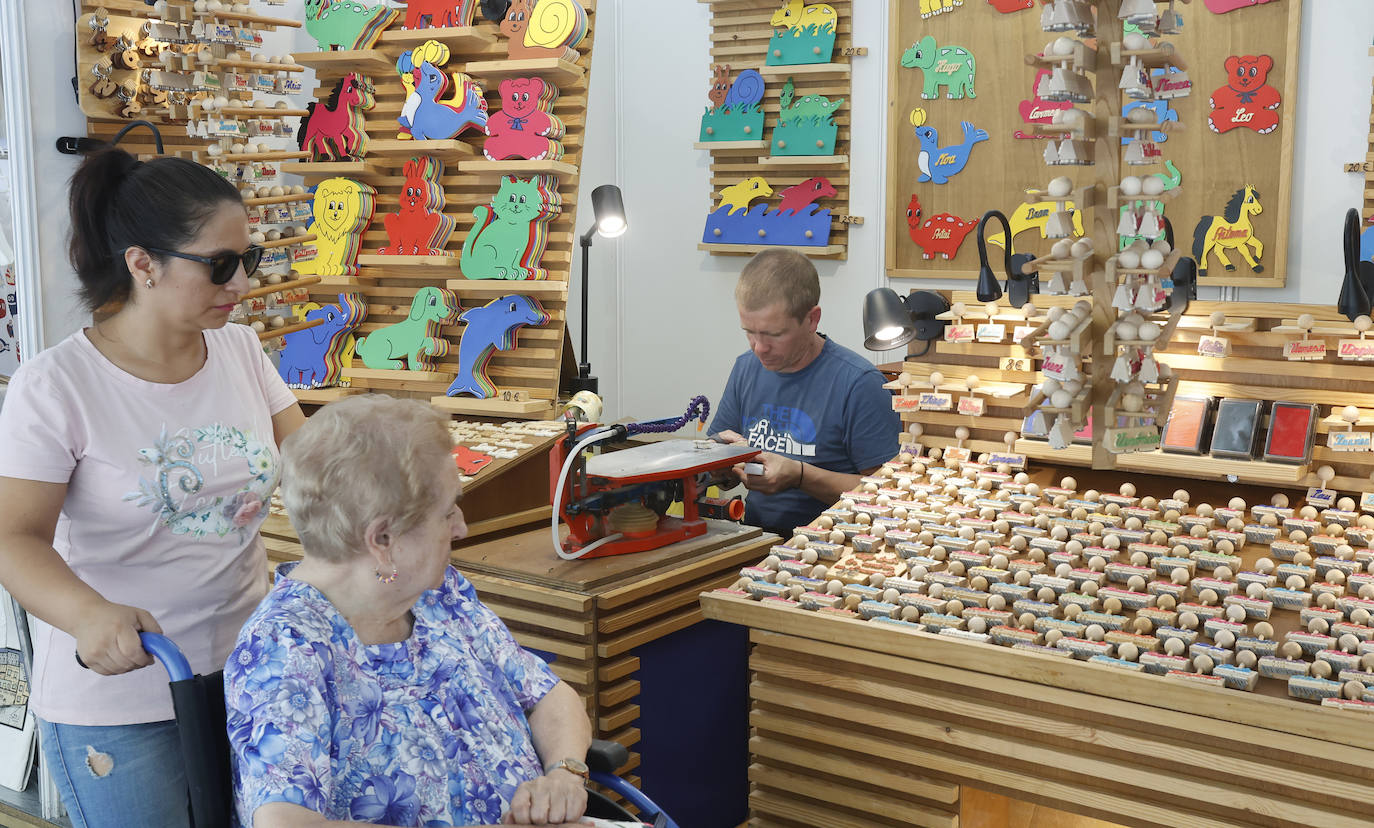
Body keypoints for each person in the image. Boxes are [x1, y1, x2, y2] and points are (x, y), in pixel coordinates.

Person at [0, 147, 306, 826]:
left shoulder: (241, 350)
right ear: (143, 264)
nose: (242, 284)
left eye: (247, 261)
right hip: (122, 700)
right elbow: (13, 538)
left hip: (251, 674)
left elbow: (315, 462)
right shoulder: (55, 387)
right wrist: (85, 614)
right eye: (219, 265)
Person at [226, 394, 593, 827]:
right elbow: (285, 823)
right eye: (446, 512)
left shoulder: (438, 593)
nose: (461, 526)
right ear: (382, 540)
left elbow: (548, 695)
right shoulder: (286, 647)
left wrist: (565, 774)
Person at [710, 249, 900, 536]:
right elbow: (723, 475)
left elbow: (888, 496)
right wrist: (721, 466)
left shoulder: (860, 384)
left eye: (774, 334)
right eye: (749, 331)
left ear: (812, 320)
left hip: (834, 548)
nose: (759, 347)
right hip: (755, 540)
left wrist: (799, 475)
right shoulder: (746, 368)